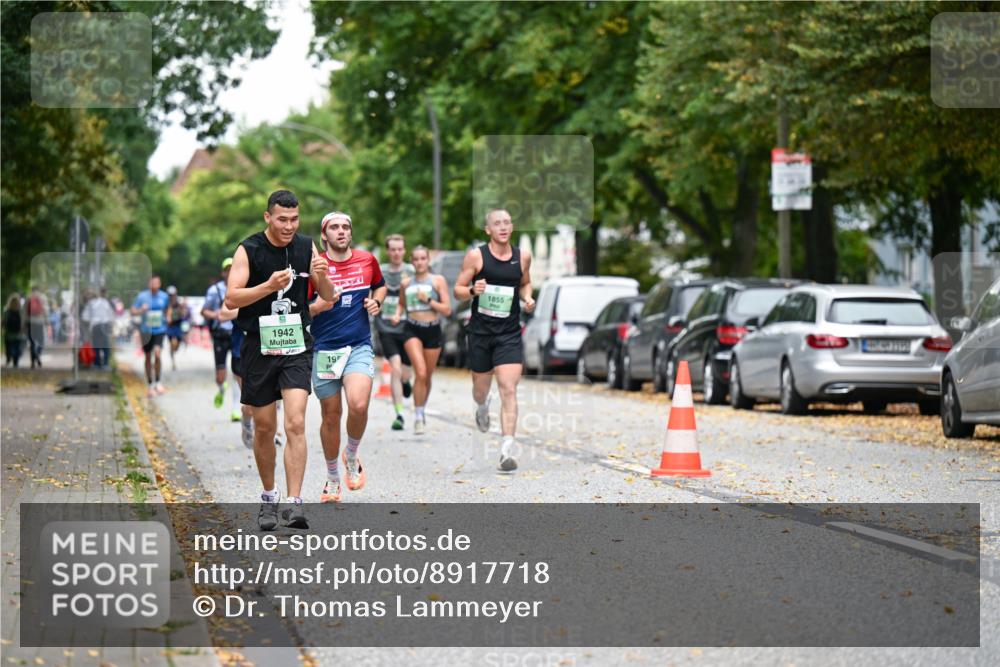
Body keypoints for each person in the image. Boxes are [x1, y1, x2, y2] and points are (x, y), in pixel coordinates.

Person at [225, 189, 334, 531]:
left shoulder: (305, 246)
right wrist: (269, 286)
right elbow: (231, 298)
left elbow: (328, 296)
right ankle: (270, 497)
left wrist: (324, 274)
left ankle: (294, 503)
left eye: (294, 219)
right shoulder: (250, 248)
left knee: (296, 423)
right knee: (264, 428)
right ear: (268, 217)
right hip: (259, 345)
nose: (289, 226)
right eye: (282, 219)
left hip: (296, 345)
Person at [308, 211, 386, 502]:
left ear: (350, 233)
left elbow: (381, 284)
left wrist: (376, 301)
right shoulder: (316, 267)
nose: (341, 231)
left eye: (346, 227)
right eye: (335, 228)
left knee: (359, 403)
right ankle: (331, 479)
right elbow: (302, 307)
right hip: (325, 349)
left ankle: (351, 455)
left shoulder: (367, 260)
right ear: (324, 235)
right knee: (330, 416)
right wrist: (319, 306)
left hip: (357, 346)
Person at [454, 208, 535, 471]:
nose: (503, 227)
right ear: (488, 230)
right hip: (480, 333)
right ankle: (481, 406)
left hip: (509, 333)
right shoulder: (477, 256)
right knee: (481, 389)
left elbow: (525, 283)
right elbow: (457, 290)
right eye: (497, 223)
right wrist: (471, 290)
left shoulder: (523, 256)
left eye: (507, 222)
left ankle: (507, 449)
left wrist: (528, 297)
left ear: (512, 227)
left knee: (508, 388)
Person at [399, 245, 451, 435]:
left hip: (433, 330)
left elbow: (447, 310)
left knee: (427, 376)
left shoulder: (437, 281)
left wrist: (428, 300)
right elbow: (401, 305)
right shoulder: (406, 283)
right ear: (412, 262)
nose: (420, 262)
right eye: (416, 259)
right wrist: (397, 314)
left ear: (428, 261)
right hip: (412, 329)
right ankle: (419, 416)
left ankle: (421, 408)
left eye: (423, 259)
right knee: (420, 372)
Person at [374, 235, 415, 430]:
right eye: (393, 249)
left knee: (405, 373)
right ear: (388, 251)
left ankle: (407, 382)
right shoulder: (380, 271)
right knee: (396, 369)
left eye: (400, 249)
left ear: (404, 251)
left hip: (408, 327)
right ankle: (399, 413)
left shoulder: (412, 271)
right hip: (386, 328)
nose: (397, 253)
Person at [203, 259, 240, 420]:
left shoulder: (242, 287)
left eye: (233, 269)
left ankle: (235, 409)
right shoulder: (214, 290)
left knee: (238, 373)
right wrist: (216, 316)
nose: (229, 272)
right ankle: (221, 388)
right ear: (223, 272)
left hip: (237, 334)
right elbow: (204, 311)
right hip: (220, 335)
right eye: (227, 269)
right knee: (221, 375)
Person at [131, 276, 171, 397]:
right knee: (148, 356)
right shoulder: (142, 296)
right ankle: (150, 384)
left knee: (157, 354)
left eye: (156, 282)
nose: (154, 284)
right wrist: (141, 310)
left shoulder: (164, 296)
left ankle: (158, 381)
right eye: (152, 282)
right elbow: (132, 311)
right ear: (149, 283)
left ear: (159, 284)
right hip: (146, 331)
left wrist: (168, 316)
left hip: (160, 329)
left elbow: (168, 308)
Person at [82, 288, 115, 369]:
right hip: (105, 325)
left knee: (96, 345)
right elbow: (111, 315)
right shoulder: (104, 302)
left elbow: (84, 317)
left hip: (95, 326)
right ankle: (106, 364)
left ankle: (97, 363)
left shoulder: (90, 303)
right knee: (105, 345)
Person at [165, 286, 188, 371]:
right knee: (172, 342)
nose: (171, 297)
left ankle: (173, 350)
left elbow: (184, 314)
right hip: (170, 326)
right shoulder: (166, 304)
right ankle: (173, 361)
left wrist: (181, 311)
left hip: (178, 325)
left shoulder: (179, 303)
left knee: (177, 345)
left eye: (173, 295)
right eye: (170, 295)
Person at [26, 287, 47, 369]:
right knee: (40, 341)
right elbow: (46, 311)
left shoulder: (28, 298)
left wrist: (23, 323)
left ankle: (33, 362)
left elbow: (24, 312)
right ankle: (37, 354)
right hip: (39, 322)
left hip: (30, 322)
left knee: (32, 343)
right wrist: (47, 321)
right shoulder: (43, 298)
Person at [3, 294, 24, 368]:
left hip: (8, 333)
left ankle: (9, 357)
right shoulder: (21, 311)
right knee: (17, 347)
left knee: (8, 346)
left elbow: (3, 321)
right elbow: (23, 322)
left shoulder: (7, 311)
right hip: (18, 334)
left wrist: (3, 328)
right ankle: (16, 361)